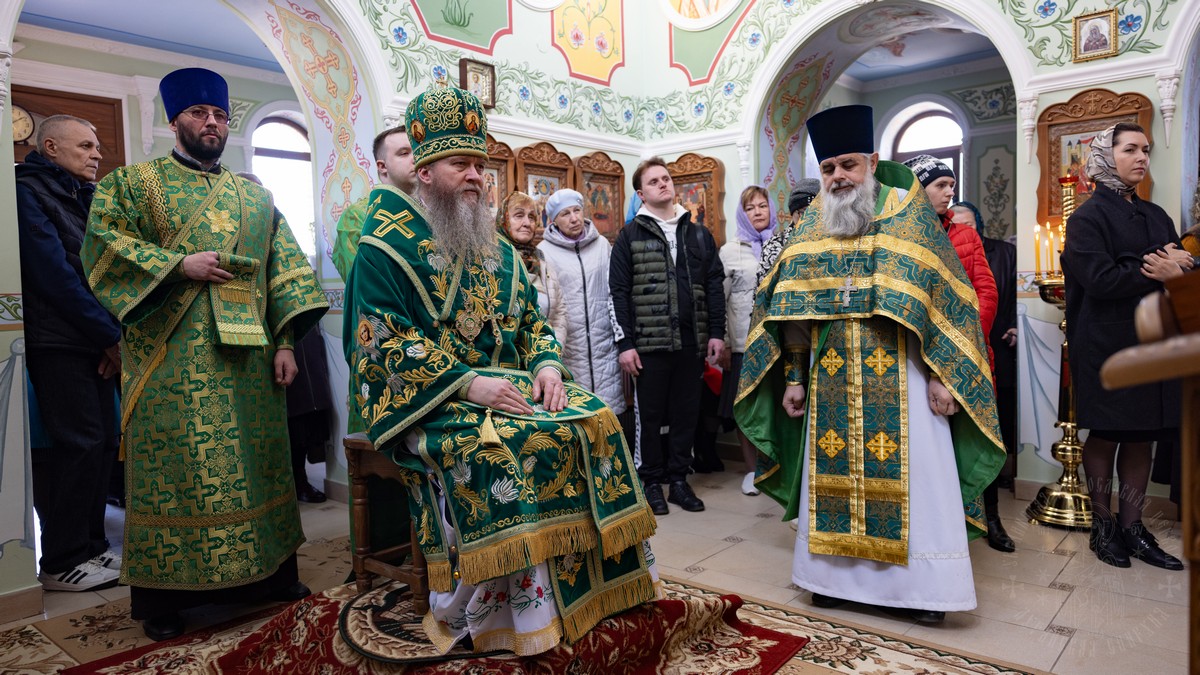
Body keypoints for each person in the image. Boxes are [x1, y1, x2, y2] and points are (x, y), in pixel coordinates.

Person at [343, 84, 658, 656]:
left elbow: (531, 324)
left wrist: (546, 365)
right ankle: (501, 614)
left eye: (480, 164)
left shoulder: (496, 247)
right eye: (460, 163)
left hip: (504, 386)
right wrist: (468, 384)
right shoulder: (383, 248)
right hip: (431, 401)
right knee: (504, 447)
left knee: (594, 419)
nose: (475, 176)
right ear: (426, 169)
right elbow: (379, 345)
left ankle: (599, 589)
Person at [82, 67, 329, 641]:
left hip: (250, 360)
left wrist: (287, 341)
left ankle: (271, 575)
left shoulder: (254, 194)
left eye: (218, 115)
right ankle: (166, 600)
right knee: (179, 474)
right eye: (199, 113)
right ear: (175, 121)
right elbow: (103, 247)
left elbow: (285, 267)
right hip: (170, 359)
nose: (211, 122)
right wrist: (178, 265)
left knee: (259, 464)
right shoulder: (133, 185)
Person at [736, 104, 1005, 625]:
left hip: (907, 378)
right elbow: (792, 311)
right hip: (830, 376)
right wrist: (793, 378)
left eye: (849, 165)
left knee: (919, 484)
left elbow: (949, 306)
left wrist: (946, 377)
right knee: (830, 480)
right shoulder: (812, 225)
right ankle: (831, 581)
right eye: (829, 167)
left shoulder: (912, 219)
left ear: (873, 162)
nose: (838, 177)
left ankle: (926, 593)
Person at [1061, 122, 1190, 571]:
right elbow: (1100, 279)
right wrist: (1153, 266)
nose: (1142, 158)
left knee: (1142, 432)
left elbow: (1180, 266)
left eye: (1146, 150)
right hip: (1105, 344)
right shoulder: (1085, 218)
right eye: (1130, 149)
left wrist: (1177, 268)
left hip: (1154, 340)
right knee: (1108, 432)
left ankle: (1134, 528)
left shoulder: (1156, 215)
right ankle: (1103, 526)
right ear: (1104, 156)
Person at [16, 114, 122, 592]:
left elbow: (105, 272)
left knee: (102, 444)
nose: (96, 154)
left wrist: (110, 334)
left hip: (93, 340)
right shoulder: (26, 191)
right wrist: (107, 336)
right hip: (58, 340)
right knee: (77, 444)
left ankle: (93, 548)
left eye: (97, 146)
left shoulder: (87, 199)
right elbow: (54, 276)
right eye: (85, 146)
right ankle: (60, 560)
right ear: (52, 147)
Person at [902, 155, 1007, 551]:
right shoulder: (901, 235)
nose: (950, 192)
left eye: (951, 184)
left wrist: (958, 346)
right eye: (940, 185)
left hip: (968, 356)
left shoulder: (965, 236)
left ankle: (990, 519)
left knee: (974, 434)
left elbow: (986, 293)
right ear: (918, 189)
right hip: (914, 359)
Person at [610, 157, 726, 516]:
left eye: (666, 178)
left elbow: (714, 285)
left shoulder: (698, 233)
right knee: (651, 416)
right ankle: (651, 482)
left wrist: (717, 334)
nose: (664, 184)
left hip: (690, 343)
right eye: (654, 181)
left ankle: (678, 481)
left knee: (685, 415)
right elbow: (618, 292)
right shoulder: (629, 236)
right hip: (648, 345)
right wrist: (625, 344)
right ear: (641, 192)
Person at [953, 201, 1019, 520]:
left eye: (970, 222)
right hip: (951, 351)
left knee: (993, 424)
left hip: (993, 345)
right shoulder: (943, 244)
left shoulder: (1003, 253)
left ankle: (992, 515)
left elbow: (1000, 293)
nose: (964, 228)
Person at [538, 188, 624, 413]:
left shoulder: (603, 245)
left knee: (610, 417)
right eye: (565, 214)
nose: (574, 218)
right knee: (578, 416)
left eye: (577, 210)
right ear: (554, 220)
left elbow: (614, 291)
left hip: (605, 347)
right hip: (569, 349)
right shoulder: (543, 252)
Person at [720, 185, 778, 495]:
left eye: (762, 206)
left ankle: (777, 468)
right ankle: (752, 470)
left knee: (775, 406)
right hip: (743, 342)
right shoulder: (731, 250)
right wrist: (726, 342)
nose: (757, 212)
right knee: (747, 407)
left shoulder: (783, 244)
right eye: (751, 208)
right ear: (742, 214)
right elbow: (721, 300)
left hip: (775, 340)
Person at [332, 125, 418, 281]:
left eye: (419, 152)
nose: (416, 158)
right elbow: (362, 283)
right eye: (404, 153)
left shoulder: (435, 210)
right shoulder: (358, 216)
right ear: (382, 166)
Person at [496, 191, 567, 350]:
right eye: (519, 215)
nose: (527, 223)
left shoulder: (541, 260)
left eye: (532, 217)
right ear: (504, 219)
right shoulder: (493, 260)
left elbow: (559, 313)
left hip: (546, 357)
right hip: (510, 358)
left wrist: (555, 348)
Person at [758, 178, 820, 285]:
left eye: (817, 212)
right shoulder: (774, 246)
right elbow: (762, 291)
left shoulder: (833, 242)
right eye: (803, 212)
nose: (810, 219)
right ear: (793, 213)